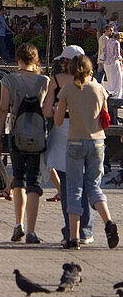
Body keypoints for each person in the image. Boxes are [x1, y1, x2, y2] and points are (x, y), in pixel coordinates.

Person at [54, 53, 119, 249]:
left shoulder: (67, 90)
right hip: (98, 141)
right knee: (94, 186)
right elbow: (105, 118)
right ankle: (108, 221)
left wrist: (59, 108)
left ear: (72, 71)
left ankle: (73, 237)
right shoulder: (99, 89)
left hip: (75, 141)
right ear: (90, 70)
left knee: (74, 189)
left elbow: (58, 121)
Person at [0, 43, 49, 244]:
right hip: (38, 136)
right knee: (34, 181)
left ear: (18, 59)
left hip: (16, 135)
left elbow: (2, 110)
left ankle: (18, 225)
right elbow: (47, 110)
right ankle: (32, 231)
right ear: (35, 60)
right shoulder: (44, 81)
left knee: (18, 179)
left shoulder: (8, 80)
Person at [43, 46, 94, 245]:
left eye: (64, 61)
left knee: (66, 185)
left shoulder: (56, 81)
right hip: (87, 132)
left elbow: (47, 111)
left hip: (63, 130)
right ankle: (86, 229)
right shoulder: (93, 82)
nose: (62, 64)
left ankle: (70, 230)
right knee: (84, 183)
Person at [102, 27, 123, 98]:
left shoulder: (107, 41)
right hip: (114, 63)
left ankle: (108, 92)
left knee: (110, 80)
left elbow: (104, 51)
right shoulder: (116, 43)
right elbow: (117, 55)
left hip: (106, 63)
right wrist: (120, 58)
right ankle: (117, 96)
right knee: (118, 80)